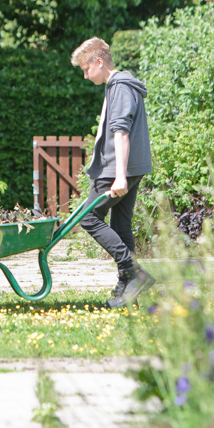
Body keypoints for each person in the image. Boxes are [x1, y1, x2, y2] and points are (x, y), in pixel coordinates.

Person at [71, 37, 156, 308]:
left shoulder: (119, 86)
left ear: (99, 62)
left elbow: (121, 132)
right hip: (131, 167)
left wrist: (119, 175)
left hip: (119, 168)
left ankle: (133, 272)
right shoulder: (120, 85)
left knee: (88, 217)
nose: (85, 76)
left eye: (86, 69)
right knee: (121, 226)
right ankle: (127, 290)